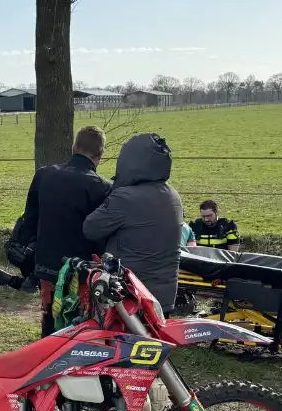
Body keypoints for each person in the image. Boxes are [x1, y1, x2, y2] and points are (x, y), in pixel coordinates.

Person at [21, 126, 112, 337]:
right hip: (80, 269)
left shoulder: (44, 175)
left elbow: (30, 221)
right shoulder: (101, 187)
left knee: (51, 315)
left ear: (74, 147)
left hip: (46, 264)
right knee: (77, 322)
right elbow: (101, 234)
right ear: (100, 155)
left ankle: (46, 358)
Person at [82, 133, 184, 313]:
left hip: (131, 294)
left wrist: (113, 191)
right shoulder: (173, 195)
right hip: (164, 295)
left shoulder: (125, 198)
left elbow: (90, 228)